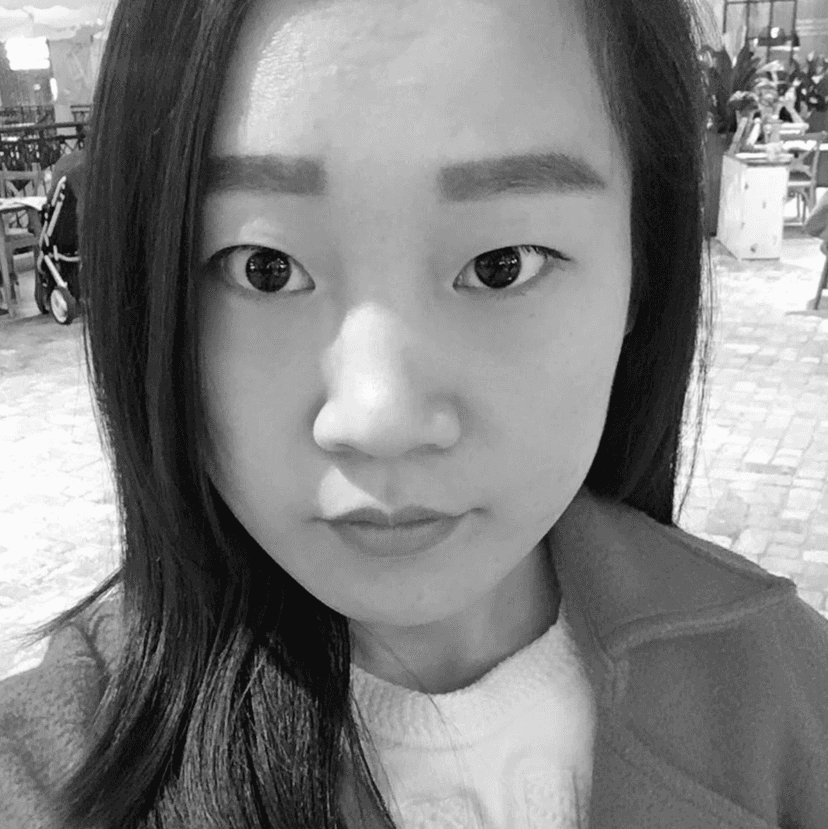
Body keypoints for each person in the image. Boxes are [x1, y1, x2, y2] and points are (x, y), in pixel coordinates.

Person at [1, 0, 827, 827]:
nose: (380, 417)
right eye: (263, 267)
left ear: (641, 269)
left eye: (502, 265)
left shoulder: (790, 697)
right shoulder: (58, 769)